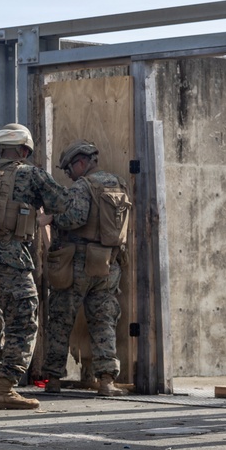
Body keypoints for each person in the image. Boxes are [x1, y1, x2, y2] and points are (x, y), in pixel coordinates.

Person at [0, 123, 69, 411]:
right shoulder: (30, 173)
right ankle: (6, 388)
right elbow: (62, 201)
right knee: (23, 323)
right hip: (12, 261)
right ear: (24, 150)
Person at [41, 139, 131, 397]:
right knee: (104, 321)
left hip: (77, 263)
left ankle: (54, 379)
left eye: (69, 170)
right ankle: (106, 381)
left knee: (60, 319)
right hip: (106, 263)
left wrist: (51, 218)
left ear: (81, 162)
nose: (68, 176)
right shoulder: (119, 184)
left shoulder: (83, 187)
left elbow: (74, 218)